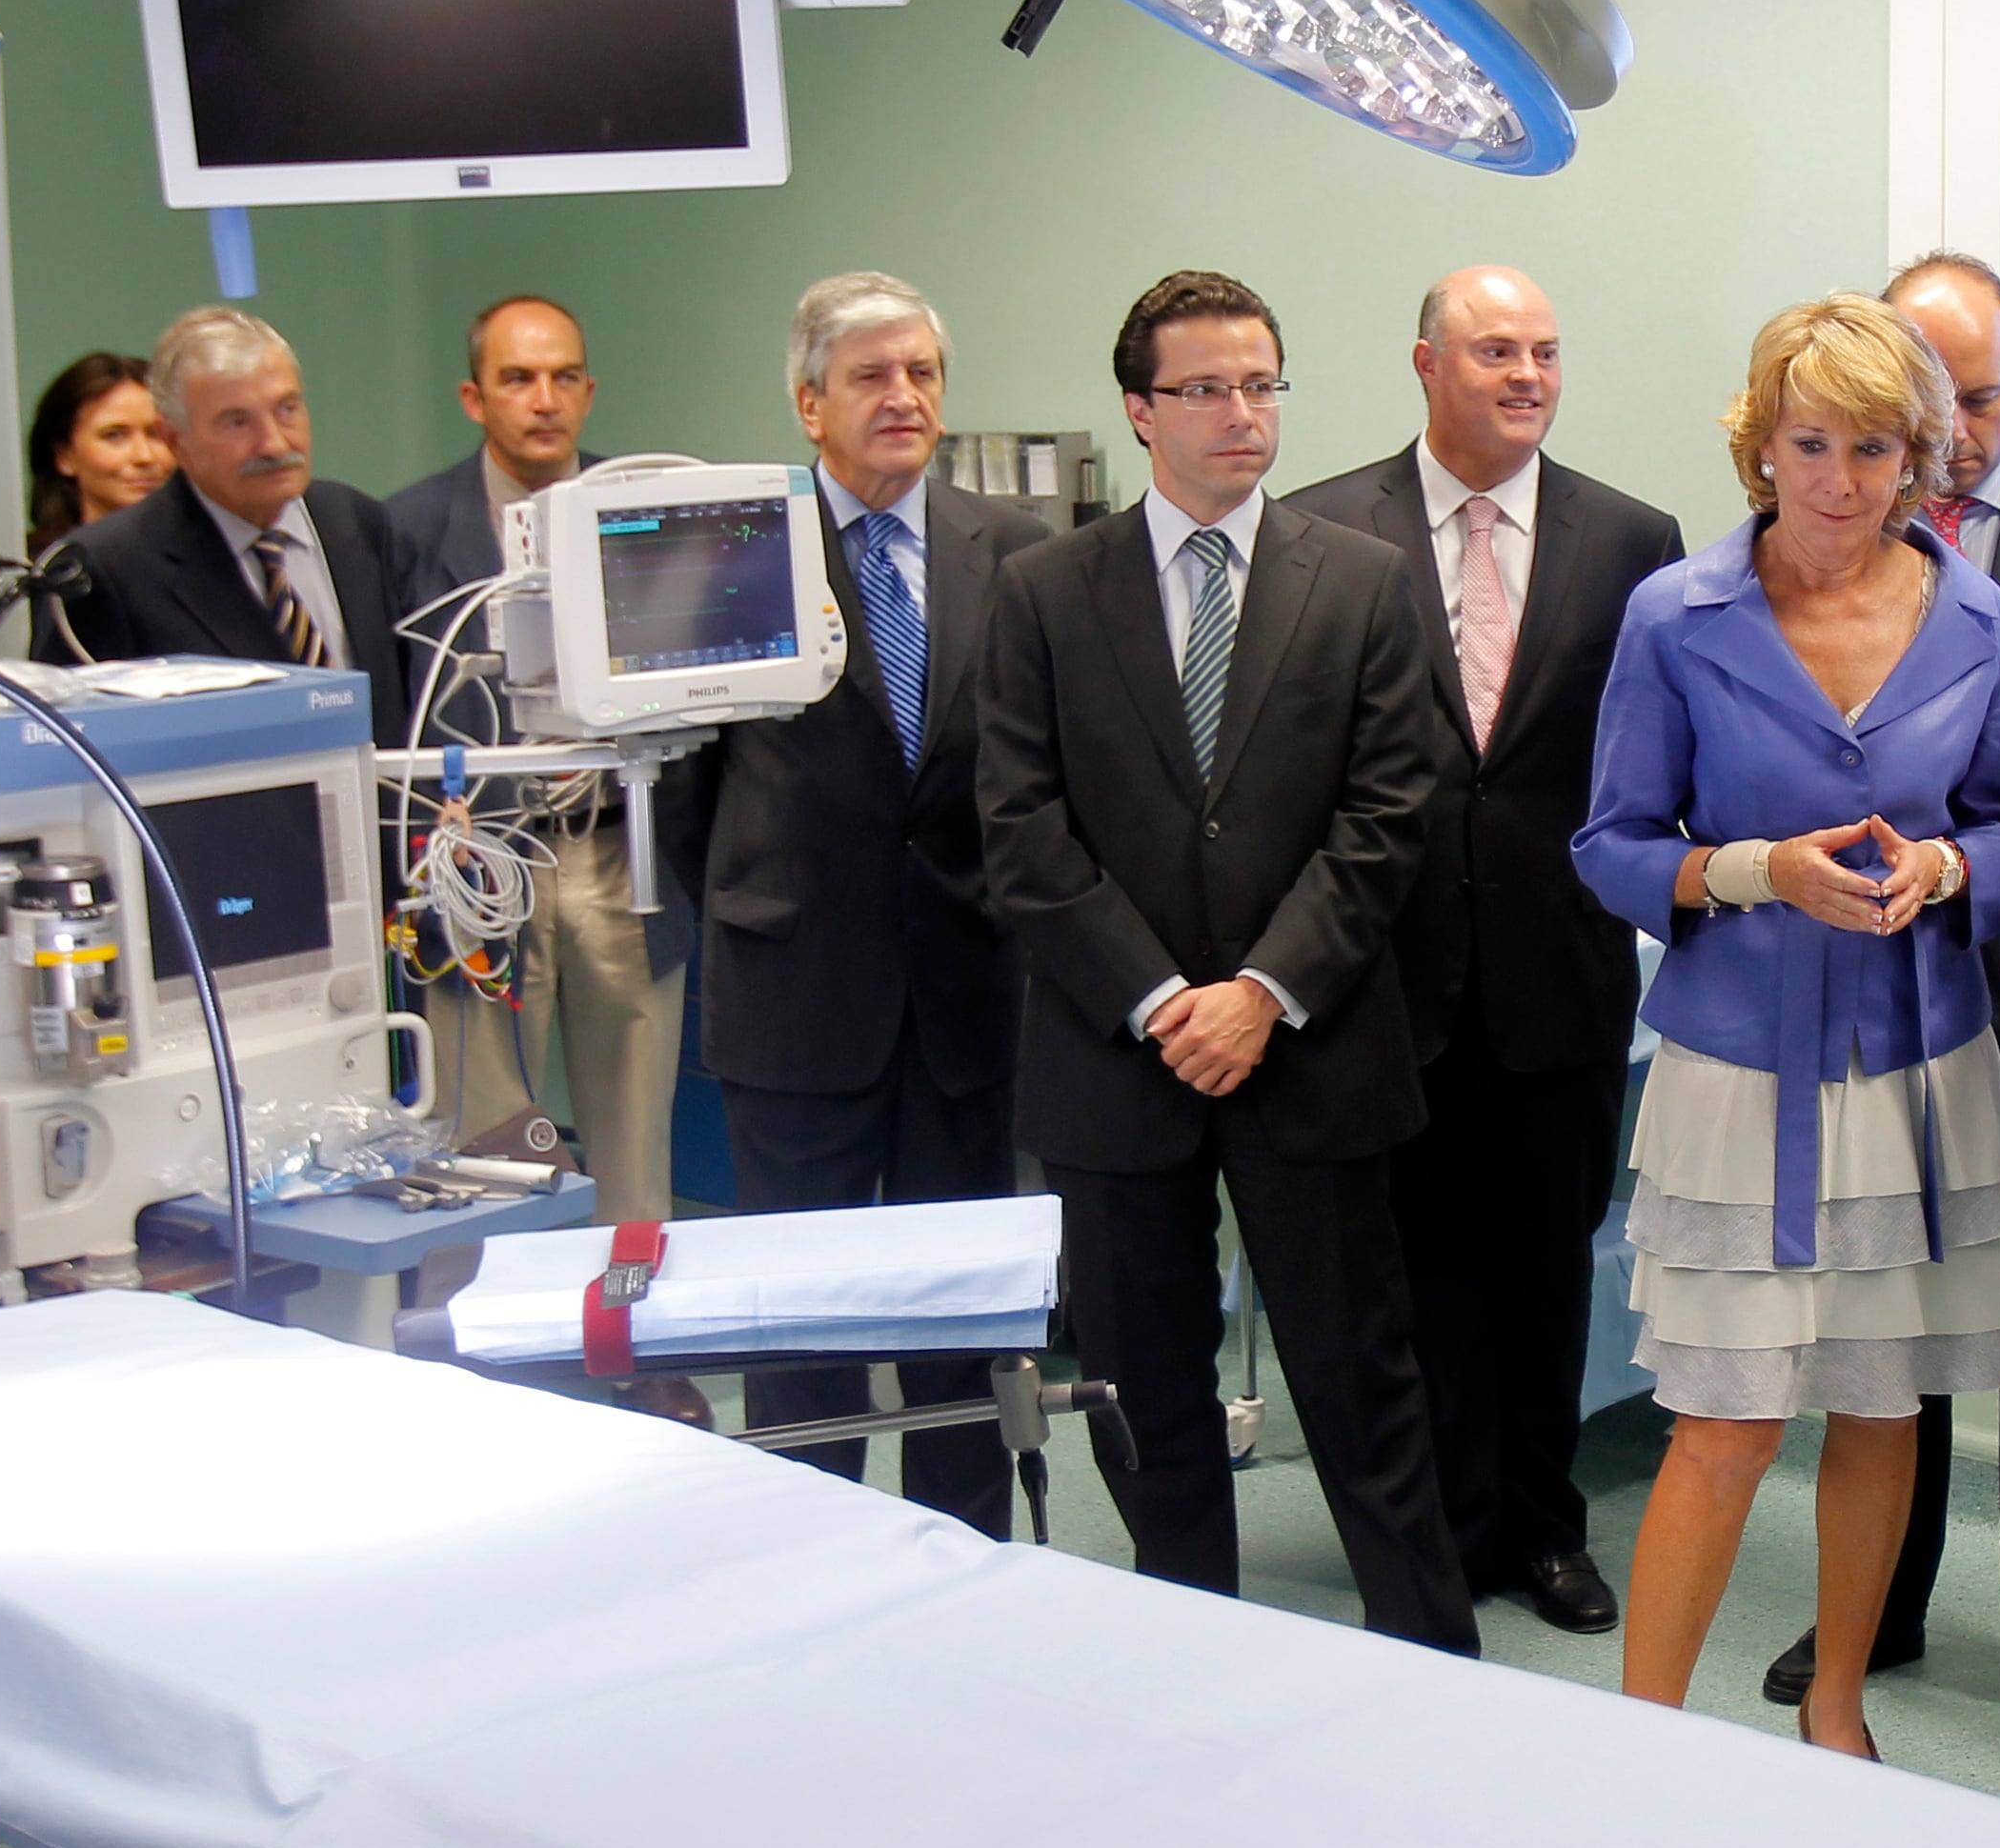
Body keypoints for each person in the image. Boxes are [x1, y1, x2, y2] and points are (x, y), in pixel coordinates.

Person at [976, 270, 1475, 1651]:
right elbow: (1021, 831)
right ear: (1139, 410)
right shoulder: (1044, 592)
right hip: (1113, 1059)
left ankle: (1435, 1664)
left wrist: (1260, 993)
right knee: (1147, 1392)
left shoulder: (1362, 581)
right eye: (1204, 388)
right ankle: (1192, 1656)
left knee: (1361, 1385)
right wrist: (1160, 1001)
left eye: (1261, 383)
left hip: (1310, 1046)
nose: (1241, 414)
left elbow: (1391, 816)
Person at [1573, 294, 2000, 1759]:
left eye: (1876, 446)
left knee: (1881, 1404)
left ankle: (1838, 1710)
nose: (1840, 479)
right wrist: (1751, 874)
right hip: (1739, 1061)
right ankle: (1646, 1740)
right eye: (1811, 441)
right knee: (1724, 1417)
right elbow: (1610, 843)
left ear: (1923, 458)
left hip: (1915, 1061)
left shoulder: (1979, 615)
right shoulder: (1678, 613)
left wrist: (1951, 870)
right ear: (1761, 445)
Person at [1759, 250, 2000, 1748]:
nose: (1954, 428)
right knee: (1882, 1317)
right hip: (1869, 993)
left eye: (1975, 395)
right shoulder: (1816, 541)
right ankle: (1880, 1607)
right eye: (1925, 397)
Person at [1283, 266, 1683, 1635]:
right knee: (1410, 1274)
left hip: (1555, 983)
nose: (1526, 374)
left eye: (1546, 353)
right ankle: (1436, 1531)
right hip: (1382, 983)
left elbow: (1646, 761)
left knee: (1544, 1269)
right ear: (1425, 363)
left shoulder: (1636, 540)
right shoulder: (1324, 528)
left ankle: (1542, 1526)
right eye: (1496, 349)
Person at [664, 273, 1048, 1537]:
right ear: (806, 401)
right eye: (872, 376)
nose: (903, 397)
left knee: (957, 1313)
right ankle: (805, 1566)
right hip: (797, 998)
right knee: (802, 1317)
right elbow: (685, 798)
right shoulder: (734, 554)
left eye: (923, 373)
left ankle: (968, 1562)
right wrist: (758, 908)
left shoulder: (1021, 557)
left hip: (963, 998)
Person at [384, 296, 691, 1217]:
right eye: (519, 378)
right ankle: (469, 1347)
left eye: (563, 376)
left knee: (635, 1139)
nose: (544, 398)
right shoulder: (406, 530)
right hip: (483, 864)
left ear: (589, 391)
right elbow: (396, 706)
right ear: (475, 398)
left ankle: (635, 1348)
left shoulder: (645, 512)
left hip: (618, 852)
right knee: (479, 1147)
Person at [35, 306, 418, 747]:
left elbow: (404, 703)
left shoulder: (354, 519)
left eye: (287, 409)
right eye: (237, 422)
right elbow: (73, 756)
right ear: (176, 440)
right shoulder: (106, 568)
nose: (274, 443)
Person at [25, 351, 169, 552]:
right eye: (114, 435)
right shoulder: (38, 572)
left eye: (156, 434)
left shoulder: (211, 558)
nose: (144, 456)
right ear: (64, 456)